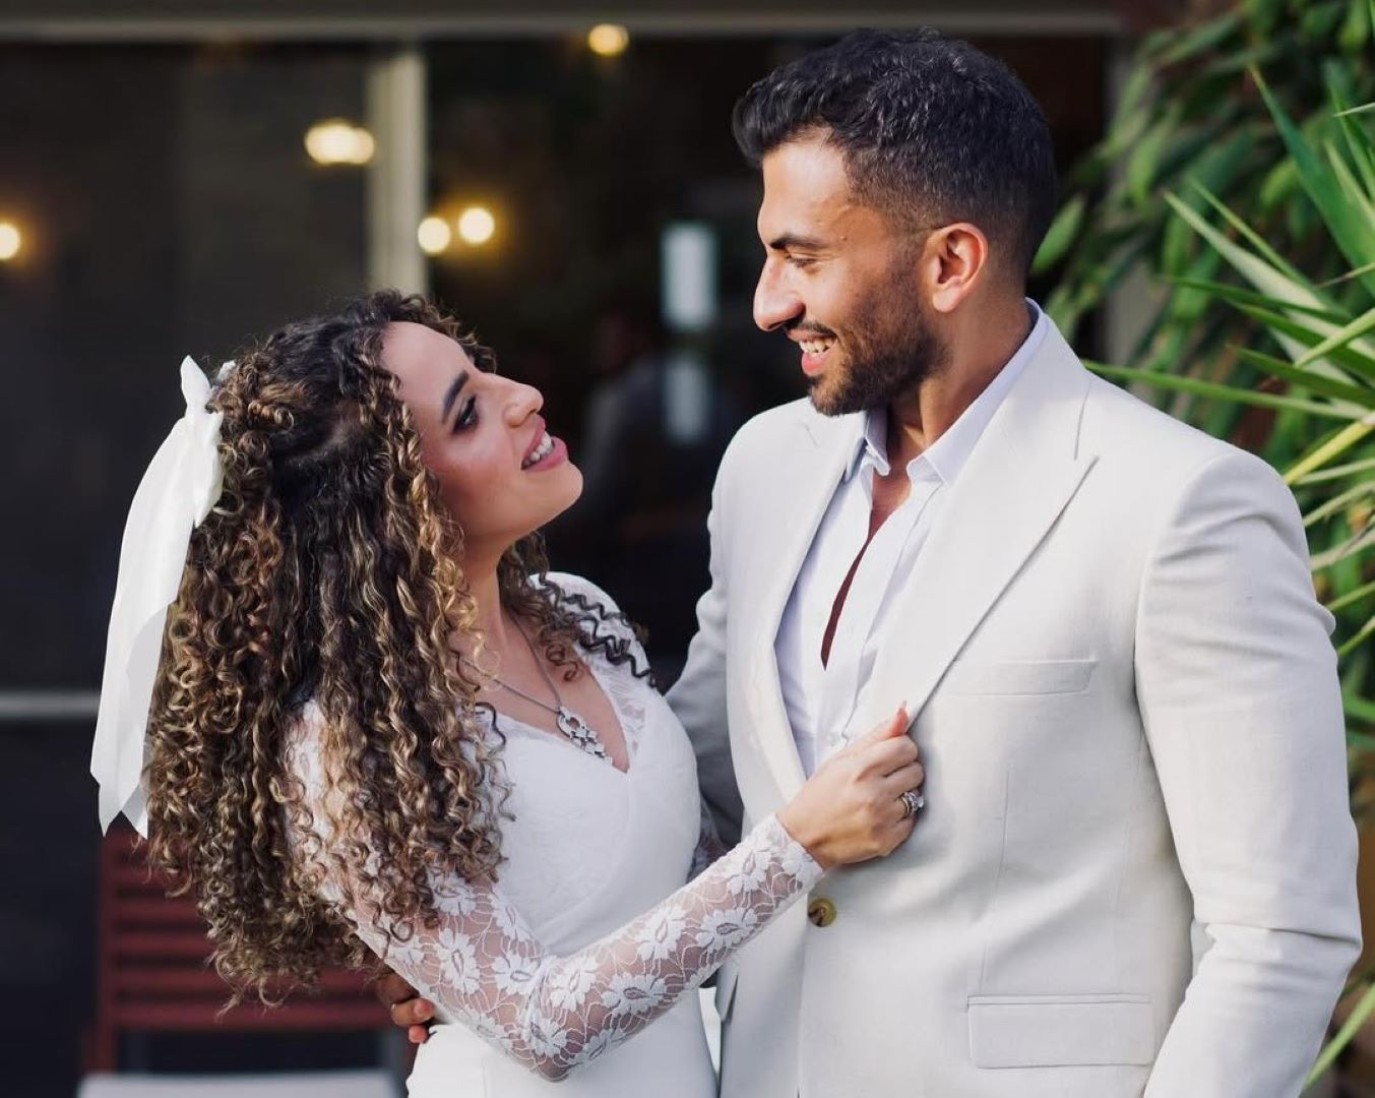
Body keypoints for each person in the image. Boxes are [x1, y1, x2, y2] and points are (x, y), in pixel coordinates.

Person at [375, 29, 1362, 1098]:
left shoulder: (1180, 505)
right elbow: (695, 796)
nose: (766, 303)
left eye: (802, 258)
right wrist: (481, 954)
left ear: (949, 263)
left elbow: (1279, 934)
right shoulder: (765, 466)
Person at [89, 291, 927, 1097]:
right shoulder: (345, 745)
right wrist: (801, 842)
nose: (522, 397)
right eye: (468, 413)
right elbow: (539, 1026)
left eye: (482, 373)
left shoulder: (578, 615)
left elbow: (694, 898)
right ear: (393, 509)